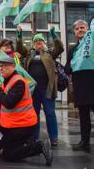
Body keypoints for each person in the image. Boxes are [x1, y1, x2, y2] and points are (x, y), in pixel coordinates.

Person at [0, 51, 53, 166]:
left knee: (8, 154)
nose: (1, 69)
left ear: (13, 66)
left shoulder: (18, 82)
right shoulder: (8, 80)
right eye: (0, 66)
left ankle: (38, 146)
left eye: (4, 66)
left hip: (22, 125)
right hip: (13, 124)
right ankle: (24, 143)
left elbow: (8, 102)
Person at [16, 26, 64, 146]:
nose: (38, 42)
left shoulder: (50, 53)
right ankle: (34, 137)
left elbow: (60, 48)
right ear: (33, 44)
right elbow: (20, 49)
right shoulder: (29, 54)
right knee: (34, 113)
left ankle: (53, 137)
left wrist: (54, 35)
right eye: (36, 41)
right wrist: (20, 36)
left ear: (43, 43)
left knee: (50, 113)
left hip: (47, 88)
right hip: (33, 89)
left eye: (40, 40)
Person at [65, 20, 94, 152]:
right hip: (80, 85)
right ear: (75, 32)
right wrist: (68, 68)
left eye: (83, 27)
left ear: (88, 29)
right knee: (83, 115)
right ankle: (84, 142)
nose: (80, 30)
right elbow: (67, 68)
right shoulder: (72, 48)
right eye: (77, 29)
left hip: (92, 81)